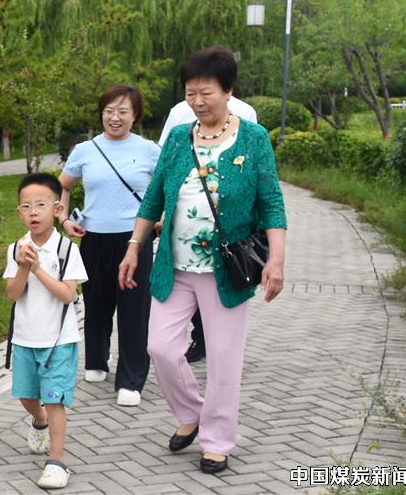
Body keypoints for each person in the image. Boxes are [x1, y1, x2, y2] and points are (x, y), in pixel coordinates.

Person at [118, 46, 286, 475]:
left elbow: (271, 202)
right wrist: (134, 246)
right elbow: (154, 197)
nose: (197, 101)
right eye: (190, 93)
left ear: (228, 91)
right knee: (160, 347)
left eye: (205, 92)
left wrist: (277, 260)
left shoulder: (253, 138)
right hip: (174, 267)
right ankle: (191, 412)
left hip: (225, 271)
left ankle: (217, 441)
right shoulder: (178, 138)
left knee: (224, 359)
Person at [58, 85, 161, 407]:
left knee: (134, 309)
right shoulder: (85, 150)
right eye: (109, 111)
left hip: (134, 239)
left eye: (123, 112)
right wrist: (63, 219)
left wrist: (161, 217)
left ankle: (131, 379)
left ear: (135, 115)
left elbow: (166, 189)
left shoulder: (149, 150)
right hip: (93, 238)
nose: (115, 118)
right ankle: (96, 360)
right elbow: (62, 187)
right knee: (97, 302)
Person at [158, 97, 258, 364]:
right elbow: (164, 164)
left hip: (227, 234)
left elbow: (251, 171)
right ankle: (201, 338)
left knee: (220, 294)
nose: (198, 99)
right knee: (164, 338)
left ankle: (212, 343)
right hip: (184, 237)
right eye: (192, 90)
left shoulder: (246, 113)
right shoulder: (179, 112)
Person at [4, 173, 88, 490]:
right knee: (27, 396)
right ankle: (38, 421)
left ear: (57, 208)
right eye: (26, 206)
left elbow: (67, 295)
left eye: (41, 204)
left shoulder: (67, 250)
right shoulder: (16, 249)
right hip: (25, 338)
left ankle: (57, 461)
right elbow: (12, 294)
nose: (34, 212)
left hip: (58, 342)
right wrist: (24, 266)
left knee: (54, 400)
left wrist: (38, 268)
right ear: (19, 213)